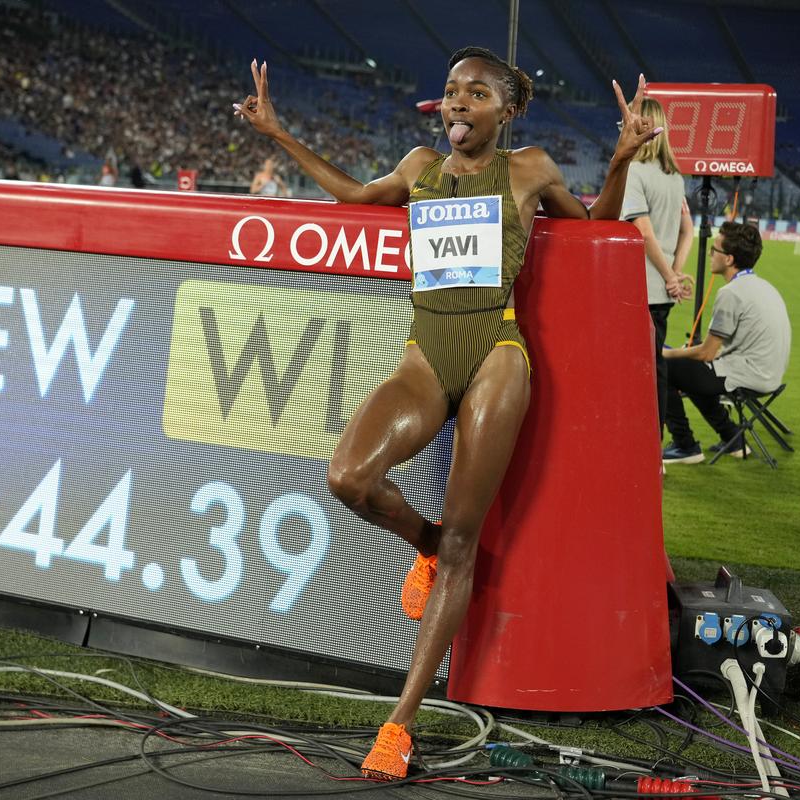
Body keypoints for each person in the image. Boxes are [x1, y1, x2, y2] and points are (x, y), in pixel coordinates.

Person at [234, 49, 659, 780]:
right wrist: (278, 134)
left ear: (506, 108)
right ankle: (427, 543)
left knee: (469, 540)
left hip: (496, 349)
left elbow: (594, 221)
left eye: (476, 93)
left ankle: (398, 724)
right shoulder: (419, 164)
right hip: (423, 352)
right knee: (348, 479)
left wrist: (619, 159)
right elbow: (355, 195)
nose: (458, 103)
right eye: (451, 91)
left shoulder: (530, 168)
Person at [661, 222, 791, 464]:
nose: (710, 255)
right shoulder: (764, 286)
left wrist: (668, 354)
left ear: (729, 259)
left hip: (749, 375)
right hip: (769, 375)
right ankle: (733, 438)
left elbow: (707, 354)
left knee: (666, 368)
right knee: (695, 373)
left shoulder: (731, 293)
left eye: (714, 250)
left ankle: (685, 444)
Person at [620, 97, 693, 439]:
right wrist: (675, 276)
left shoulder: (635, 171)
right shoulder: (674, 176)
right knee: (656, 366)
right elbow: (687, 230)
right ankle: (655, 440)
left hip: (641, 286)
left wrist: (668, 276)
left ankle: (646, 440)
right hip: (661, 290)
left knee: (639, 368)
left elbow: (643, 230)